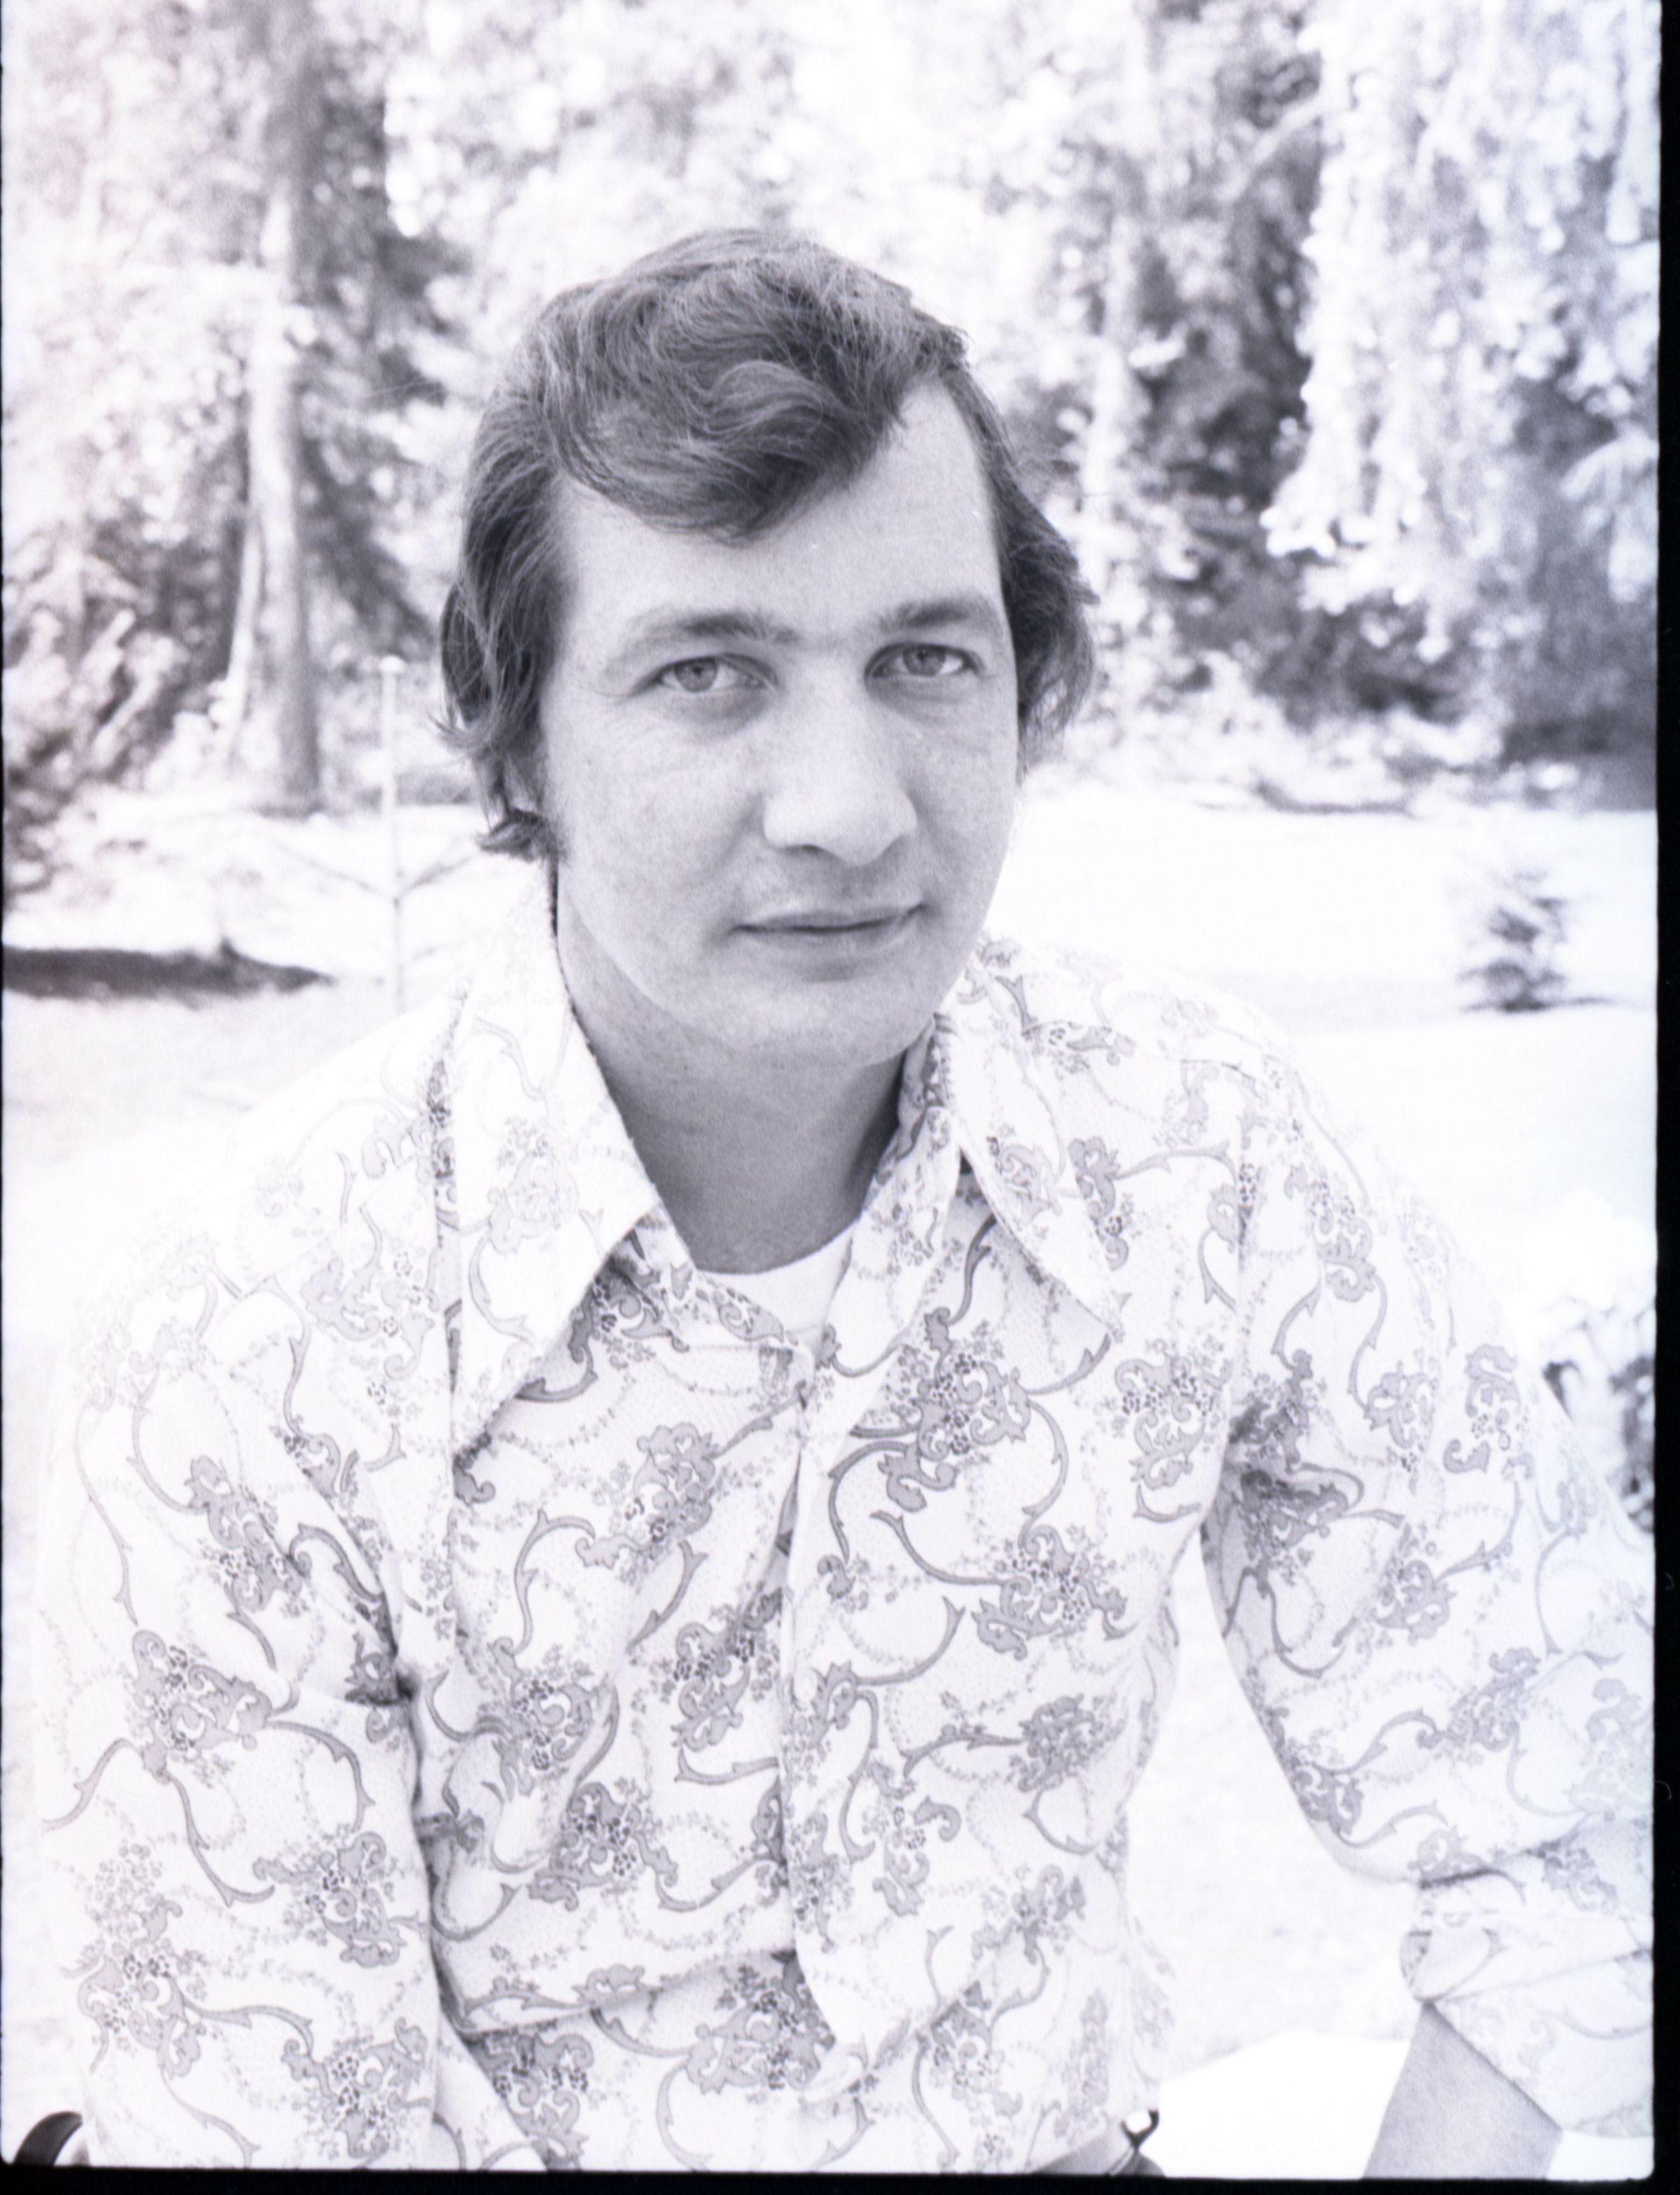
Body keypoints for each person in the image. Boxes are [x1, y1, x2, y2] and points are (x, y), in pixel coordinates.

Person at [34, 230, 1651, 2173]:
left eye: (924, 660)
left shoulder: (1200, 1159)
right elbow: (267, 2129)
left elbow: (1576, 1799)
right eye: (708, 674)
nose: (851, 808)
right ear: (516, 730)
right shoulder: (248, 1348)